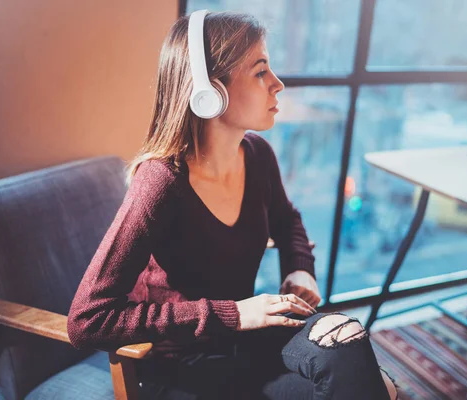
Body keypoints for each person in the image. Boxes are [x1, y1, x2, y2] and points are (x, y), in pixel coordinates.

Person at [67, 9, 399, 400]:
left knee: (348, 341)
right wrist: (236, 314)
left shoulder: (257, 155)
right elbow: (87, 320)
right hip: (182, 367)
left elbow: (287, 219)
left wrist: (299, 269)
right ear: (210, 91)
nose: (277, 84)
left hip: (248, 340)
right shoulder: (160, 182)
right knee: (374, 389)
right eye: (260, 72)